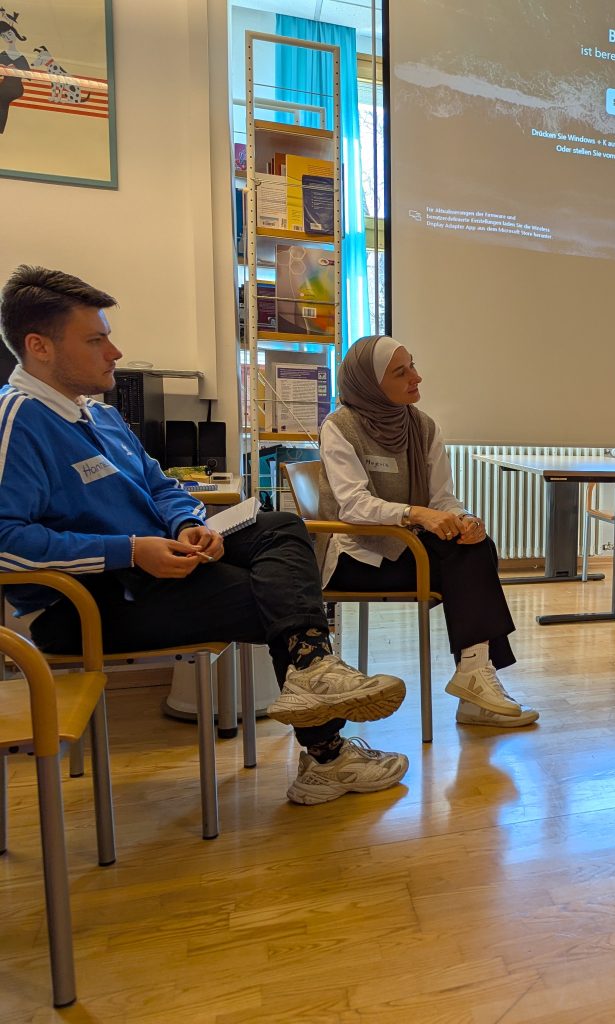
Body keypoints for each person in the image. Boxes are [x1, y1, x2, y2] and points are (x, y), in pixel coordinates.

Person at [0, 265, 410, 806]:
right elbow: (6, 543)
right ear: (39, 347)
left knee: (280, 526)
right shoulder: (18, 420)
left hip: (151, 571)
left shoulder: (99, 416)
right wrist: (130, 550)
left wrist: (188, 524)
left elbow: (162, 486)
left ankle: (312, 677)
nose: (115, 352)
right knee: (270, 596)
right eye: (96, 340)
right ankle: (326, 750)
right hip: (84, 604)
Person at [316, 335, 537, 728]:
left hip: (407, 548)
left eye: (413, 365)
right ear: (370, 385)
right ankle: (475, 682)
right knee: (470, 560)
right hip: (357, 557)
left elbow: (442, 499)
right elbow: (353, 505)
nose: (416, 377)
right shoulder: (339, 427)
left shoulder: (422, 427)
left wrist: (464, 519)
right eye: (401, 372)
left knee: (473, 544)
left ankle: (475, 674)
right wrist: (415, 514)